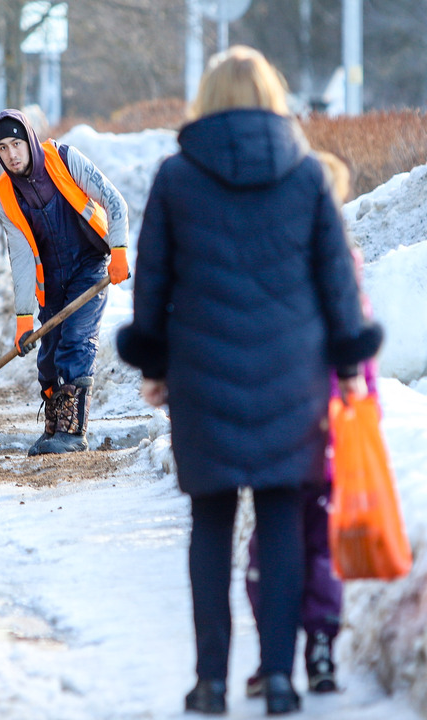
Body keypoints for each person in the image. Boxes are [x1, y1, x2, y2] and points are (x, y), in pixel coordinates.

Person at [115, 46, 383, 716]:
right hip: (291, 375)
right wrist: (348, 366)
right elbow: (335, 283)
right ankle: (281, 679)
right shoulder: (304, 176)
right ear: (272, 98)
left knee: (210, 520)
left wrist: (154, 366)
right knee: (283, 518)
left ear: (206, 99)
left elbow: (153, 280)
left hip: (202, 375)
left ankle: (209, 682)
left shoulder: (177, 177)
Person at [244, 151, 376, 699]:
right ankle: (319, 646)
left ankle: (271, 655)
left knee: (269, 545)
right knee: (321, 542)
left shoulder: (278, 260)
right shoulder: (344, 263)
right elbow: (360, 356)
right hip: (335, 425)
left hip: (286, 424)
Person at [0, 109, 129, 455]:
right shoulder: (7, 194)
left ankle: (73, 431)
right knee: (49, 358)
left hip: (88, 265)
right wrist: (23, 318)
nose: (11, 154)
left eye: (16, 143)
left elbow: (115, 202)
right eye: (3, 148)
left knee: (76, 342)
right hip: (50, 280)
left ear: (30, 140)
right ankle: (54, 427)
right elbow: (20, 258)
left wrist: (120, 249)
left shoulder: (64, 159)